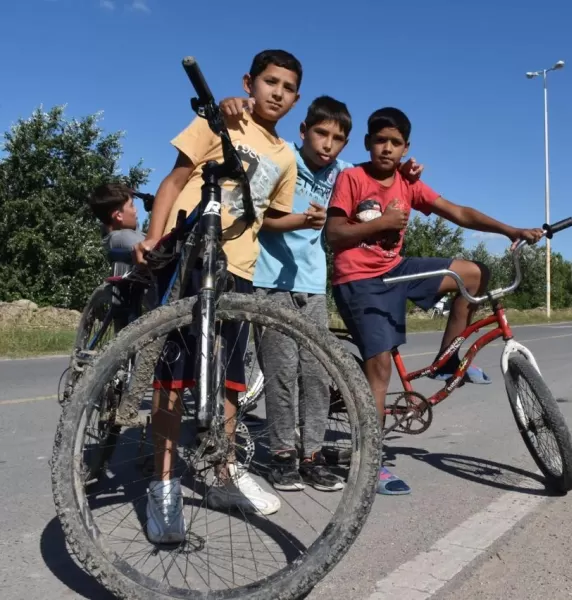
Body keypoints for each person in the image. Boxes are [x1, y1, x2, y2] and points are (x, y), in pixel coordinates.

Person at [325, 107, 544, 495]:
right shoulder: (352, 177)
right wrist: (379, 224)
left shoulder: (407, 183)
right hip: (359, 278)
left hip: (397, 269)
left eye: (395, 143)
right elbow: (335, 234)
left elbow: (456, 211)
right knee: (379, 370)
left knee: (474, 274)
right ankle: (369, 463)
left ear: (406, 147)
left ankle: (448, 361)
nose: (387, 149)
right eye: (380, 141)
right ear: (367, 143)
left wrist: (510, 229)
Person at [132, 49, 302, 544]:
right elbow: (175, 179)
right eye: (270, 82)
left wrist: (314, 221)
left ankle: (222, 474)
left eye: (288, 88)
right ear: (250, 82)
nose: (278, 93)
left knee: (228, 381)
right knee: (172, 376)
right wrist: (153, 236)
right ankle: (162, 485)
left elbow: (268, 217)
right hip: (188, 255)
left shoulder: (285, 156)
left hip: (238, 271)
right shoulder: (217, 119)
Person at [218, 95, 423, 493]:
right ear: (304, 131)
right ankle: (281, 455)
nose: (327, 144)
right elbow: (255, 208)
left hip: (313, 285)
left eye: (337, 138)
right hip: (271, 279)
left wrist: (408, 171)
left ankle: (310, 456)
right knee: (281, 373)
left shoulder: (343, 173)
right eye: (321, 133)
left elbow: (378, 176)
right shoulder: (283, 159)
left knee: (315, 374)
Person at [87, 182, 145, 275]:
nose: (136, 209)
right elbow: (156, 248)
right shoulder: (122, 238)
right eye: (131, 205)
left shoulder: (116, 235)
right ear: (118, 216)